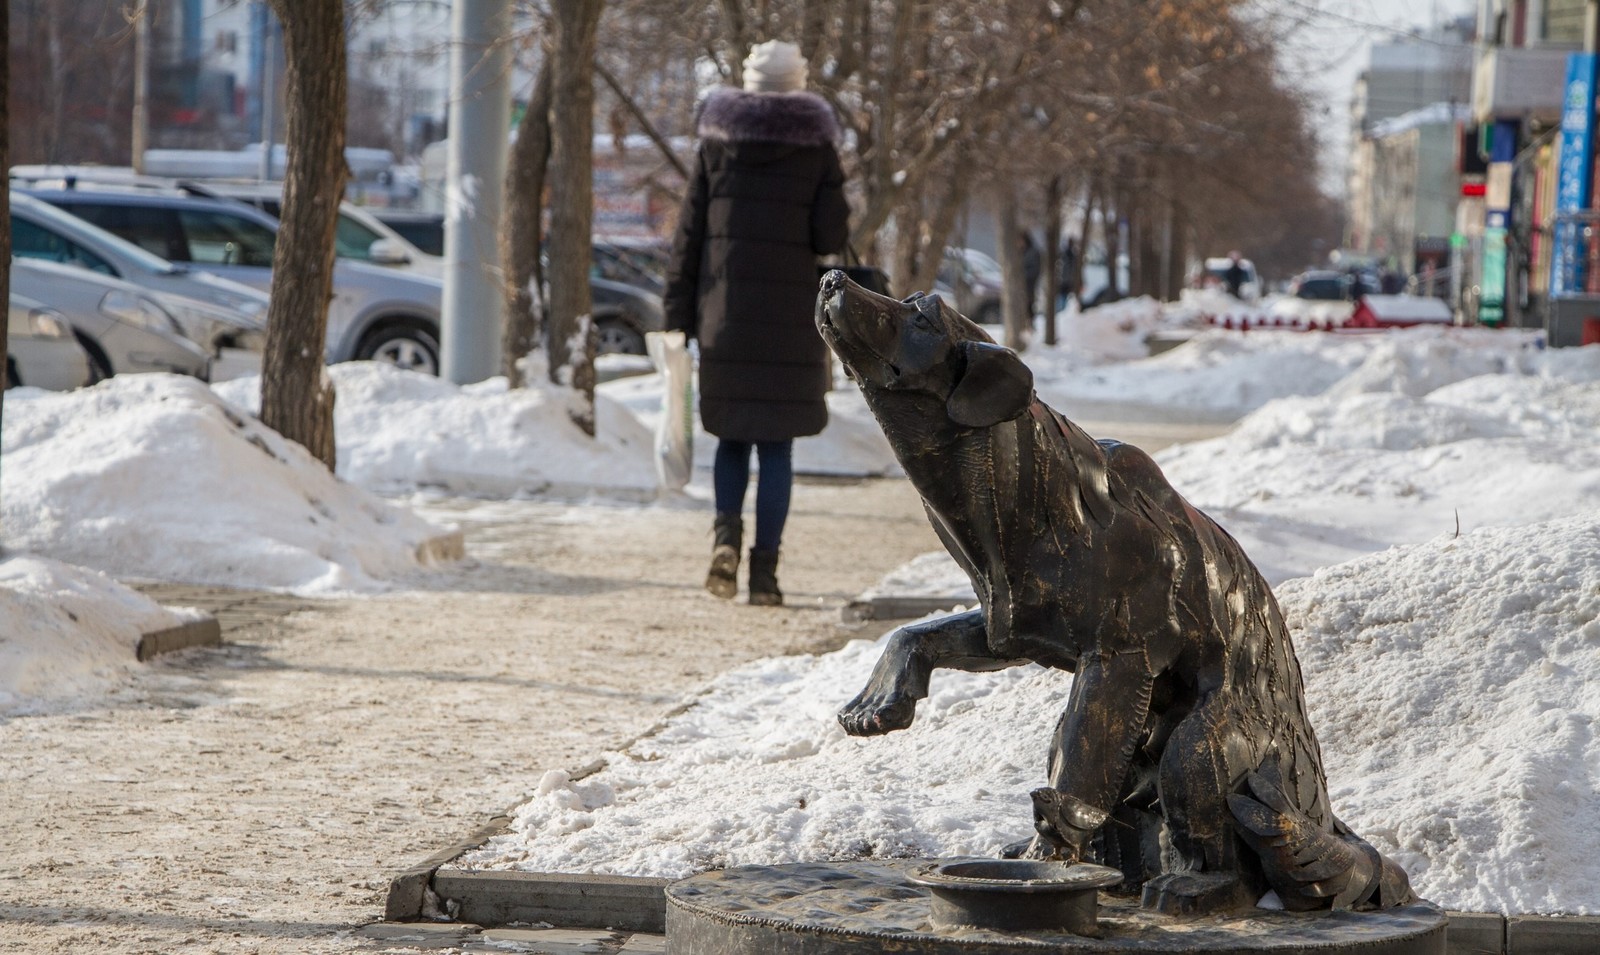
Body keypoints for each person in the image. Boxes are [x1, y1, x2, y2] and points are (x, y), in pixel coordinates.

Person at [662, 40, 850, 606]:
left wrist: (676, 314)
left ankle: (725, 540)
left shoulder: (715, 146)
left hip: (725, 315)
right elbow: (831, 238)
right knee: (777, 450)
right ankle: (764, 575)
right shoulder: (818, 149)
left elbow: (689, 235)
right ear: (798, 83)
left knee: (730, 440)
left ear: (747, 83)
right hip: (790, 321)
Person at [1020, 230, 1042, 316]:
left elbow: (1035, 270)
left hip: (1029, 284)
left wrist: (1024, 276)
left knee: (1029, 305)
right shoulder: (1022, 252)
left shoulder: (1032, 252)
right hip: (1024, 285)